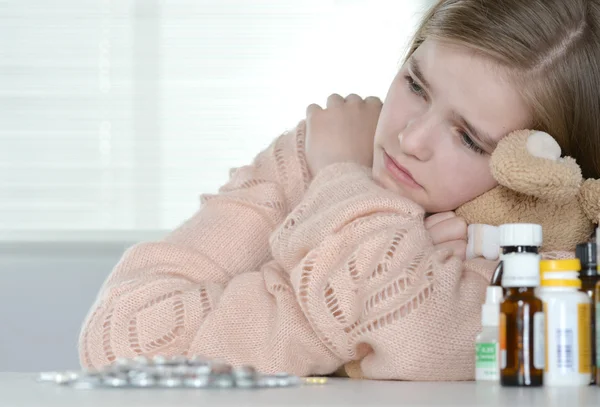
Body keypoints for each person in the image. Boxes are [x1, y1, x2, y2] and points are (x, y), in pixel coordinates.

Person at [78, 0, 600, 380]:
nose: (409, 139)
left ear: (539, 170)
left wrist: (340, 191)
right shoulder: (323, 150)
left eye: (467, 137)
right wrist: (377, 256)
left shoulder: (548, 258)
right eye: (416, 86)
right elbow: (119, 339)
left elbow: (417, 343)